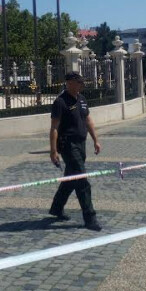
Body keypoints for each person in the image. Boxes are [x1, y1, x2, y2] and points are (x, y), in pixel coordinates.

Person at [49, 72, 103, 231]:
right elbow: (54, 128)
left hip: (81, 143)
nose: (82, 85)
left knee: (71, 178)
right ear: (70, 83)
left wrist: (95, 140)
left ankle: (56, 208)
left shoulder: (82, 99)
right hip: (68, 145)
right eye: (79, 82)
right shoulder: (60, 102)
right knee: (81, 180)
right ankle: (90, 217)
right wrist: (53, 151)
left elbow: (88, 120)